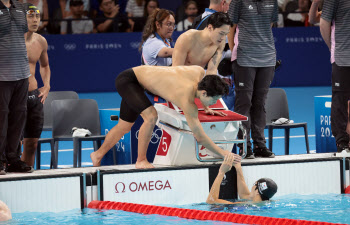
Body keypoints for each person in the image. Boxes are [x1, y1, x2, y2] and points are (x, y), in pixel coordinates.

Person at [90, 65, 242, 168]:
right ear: (204, 93)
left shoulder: (199, 72)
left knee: (125, 126)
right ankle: (141, 160)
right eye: (214, 99)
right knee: (151, 116)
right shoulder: (186, 99)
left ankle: (97, 155)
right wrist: (224, 153)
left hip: (138, 80)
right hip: (129, 81)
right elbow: (200, 137)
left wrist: (207, 106)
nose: (216, 102)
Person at [227, 0, 278, 159]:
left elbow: (268, 25)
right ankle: (244, 146)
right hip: (243, 58)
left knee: (260, 103)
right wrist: (233, 52)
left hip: (267, 58)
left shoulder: (272, 1)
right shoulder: (238, 1)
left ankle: (259, 145)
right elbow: (231, 27)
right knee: (244, 103)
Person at [0, 0, 33, 175]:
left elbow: (23, 32)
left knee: (18, 117)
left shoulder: (20, 7)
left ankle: (13, 159)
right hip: (1, 75)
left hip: (22, 73)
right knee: (1, 118)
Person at [20, 3, 51, 167]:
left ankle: (26, 175)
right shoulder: (9, 42)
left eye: (37, 16)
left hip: (34, 97)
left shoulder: (41, 41)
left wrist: (46, 86)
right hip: (13, 97)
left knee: (31, 144)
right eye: (30, 16)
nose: (35, 20)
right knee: (11, 143)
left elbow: (44, 66)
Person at [320, 0, 350, 153]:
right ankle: (342, 142)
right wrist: (333, 49)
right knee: (340, 102)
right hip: (342, 58)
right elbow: (324, 23)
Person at [207, 155, 278, 204]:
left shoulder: (244, 206)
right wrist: (238, 168)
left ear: (257, 191)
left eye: (254, 184)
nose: (252, 186)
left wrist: (221, 172)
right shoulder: (263, 202)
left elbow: (211, 201)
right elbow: (244, 195)